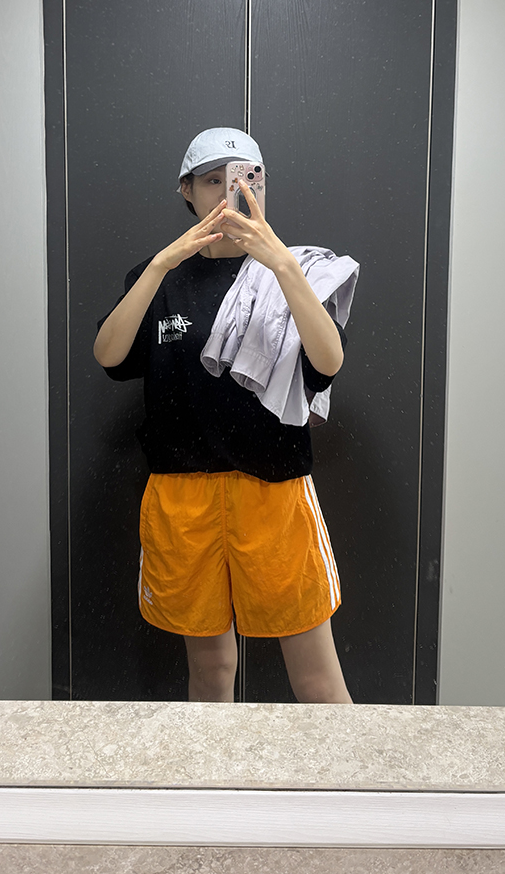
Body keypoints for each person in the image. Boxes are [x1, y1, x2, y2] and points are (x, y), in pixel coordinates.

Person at [93, 127, 352, 704]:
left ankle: (346, 768)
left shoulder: (297, 269)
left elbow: (328, 362)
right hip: (184, 495)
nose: (230, 192)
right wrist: (163, 263)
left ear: (262, 186)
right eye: (212, 180)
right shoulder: (158, 276)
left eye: (245, 178)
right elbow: (108, 355)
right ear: (186, 191)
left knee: (316, 676)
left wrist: (281, 265)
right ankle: (212, 769)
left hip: (274, 492)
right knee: (211, 669)